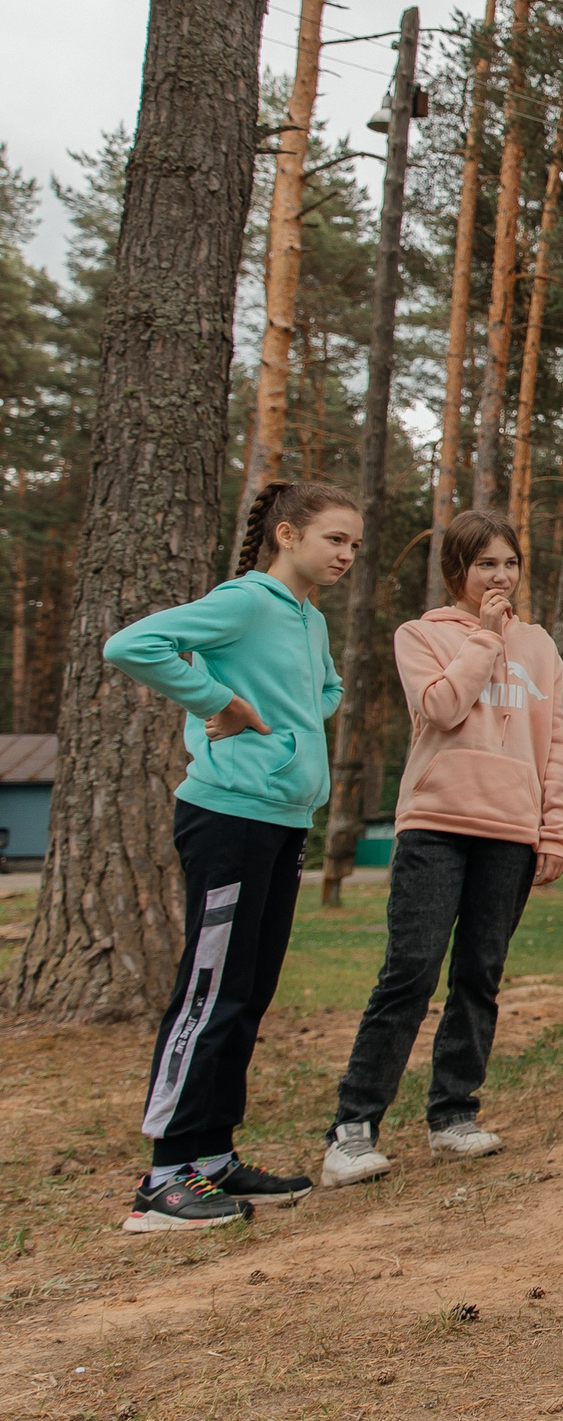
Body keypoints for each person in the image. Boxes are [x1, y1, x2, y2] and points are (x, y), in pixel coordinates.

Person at [103, 480, 358, 1232]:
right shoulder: (247, 600)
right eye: (335, 538)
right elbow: (132, 645)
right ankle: (164, 1174)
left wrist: (277, 725)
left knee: (247, 991)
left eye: (354, 544)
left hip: (280, 820)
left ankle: (211, 1158)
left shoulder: (306, 617)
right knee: (209, 990)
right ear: (286, 534)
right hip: (227, 819)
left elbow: (328, 690)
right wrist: (216, 700)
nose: (346, 554)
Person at [321, 511, 563, 1187]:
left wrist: (555, 828)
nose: (500, 575)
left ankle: (453, 1114)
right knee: (411, 971)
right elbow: (440, 708)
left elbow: (554, 744)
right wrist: (485, 638)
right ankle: (353, 1127)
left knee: (478, 976)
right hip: (435, 823)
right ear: (457, 570)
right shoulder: (422, 635)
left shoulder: (541, 646)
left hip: (511, 833)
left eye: (510, 562)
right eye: (485, 563)